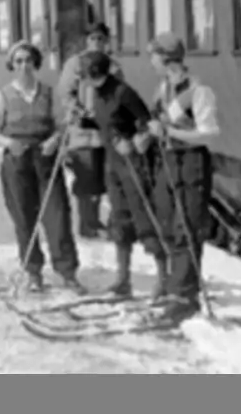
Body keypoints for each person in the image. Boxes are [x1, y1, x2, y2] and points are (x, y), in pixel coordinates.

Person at [0, 40, 83, 294]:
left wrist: (55, 140)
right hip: (17, 160)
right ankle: (33, 271)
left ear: (36, 63)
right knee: (24, 216)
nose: (24, 66)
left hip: (45, 157)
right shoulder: (3, 96)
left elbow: (62, 124)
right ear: (12, 65)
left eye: (28, 60)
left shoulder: (49, 93)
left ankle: (67, 271)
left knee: (57, 214)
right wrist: (8, 143)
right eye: (18, 61)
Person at [141, 32, 222, 329]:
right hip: (167, 161)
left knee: (187, 227)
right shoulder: (162, 88)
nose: (151, 61)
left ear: (167, 58)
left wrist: (170, 133)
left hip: (191, 162)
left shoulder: (199, 91)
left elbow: (209, 132)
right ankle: (174, 288)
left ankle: (185, 297)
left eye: (154, 56)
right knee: (168, 223)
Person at [73, 50, 167, 301]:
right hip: (112, 163)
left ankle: (163, 279)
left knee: (144, 215)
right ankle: (123, 279)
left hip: (133, 162)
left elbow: (147, 123)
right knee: (119, 218)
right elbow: (106, 123)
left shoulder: (123, 92)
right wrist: (85, 122)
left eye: (85, 75)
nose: (83, 81)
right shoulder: (98, 93)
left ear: (95, 73)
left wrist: (135, 141)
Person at [56, 22, 123, 239]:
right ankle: (88, 223)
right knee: (86, 178)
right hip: (82, 133)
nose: (96, 43)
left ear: (107, 41)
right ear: (86, 41)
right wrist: (78, 110)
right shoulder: (75, 64)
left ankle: (112, 224)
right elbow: (65, 93)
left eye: (100, 39)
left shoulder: (113, 67)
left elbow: (120, 94)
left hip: (106, 133)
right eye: (92, 38)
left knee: (109, 177)